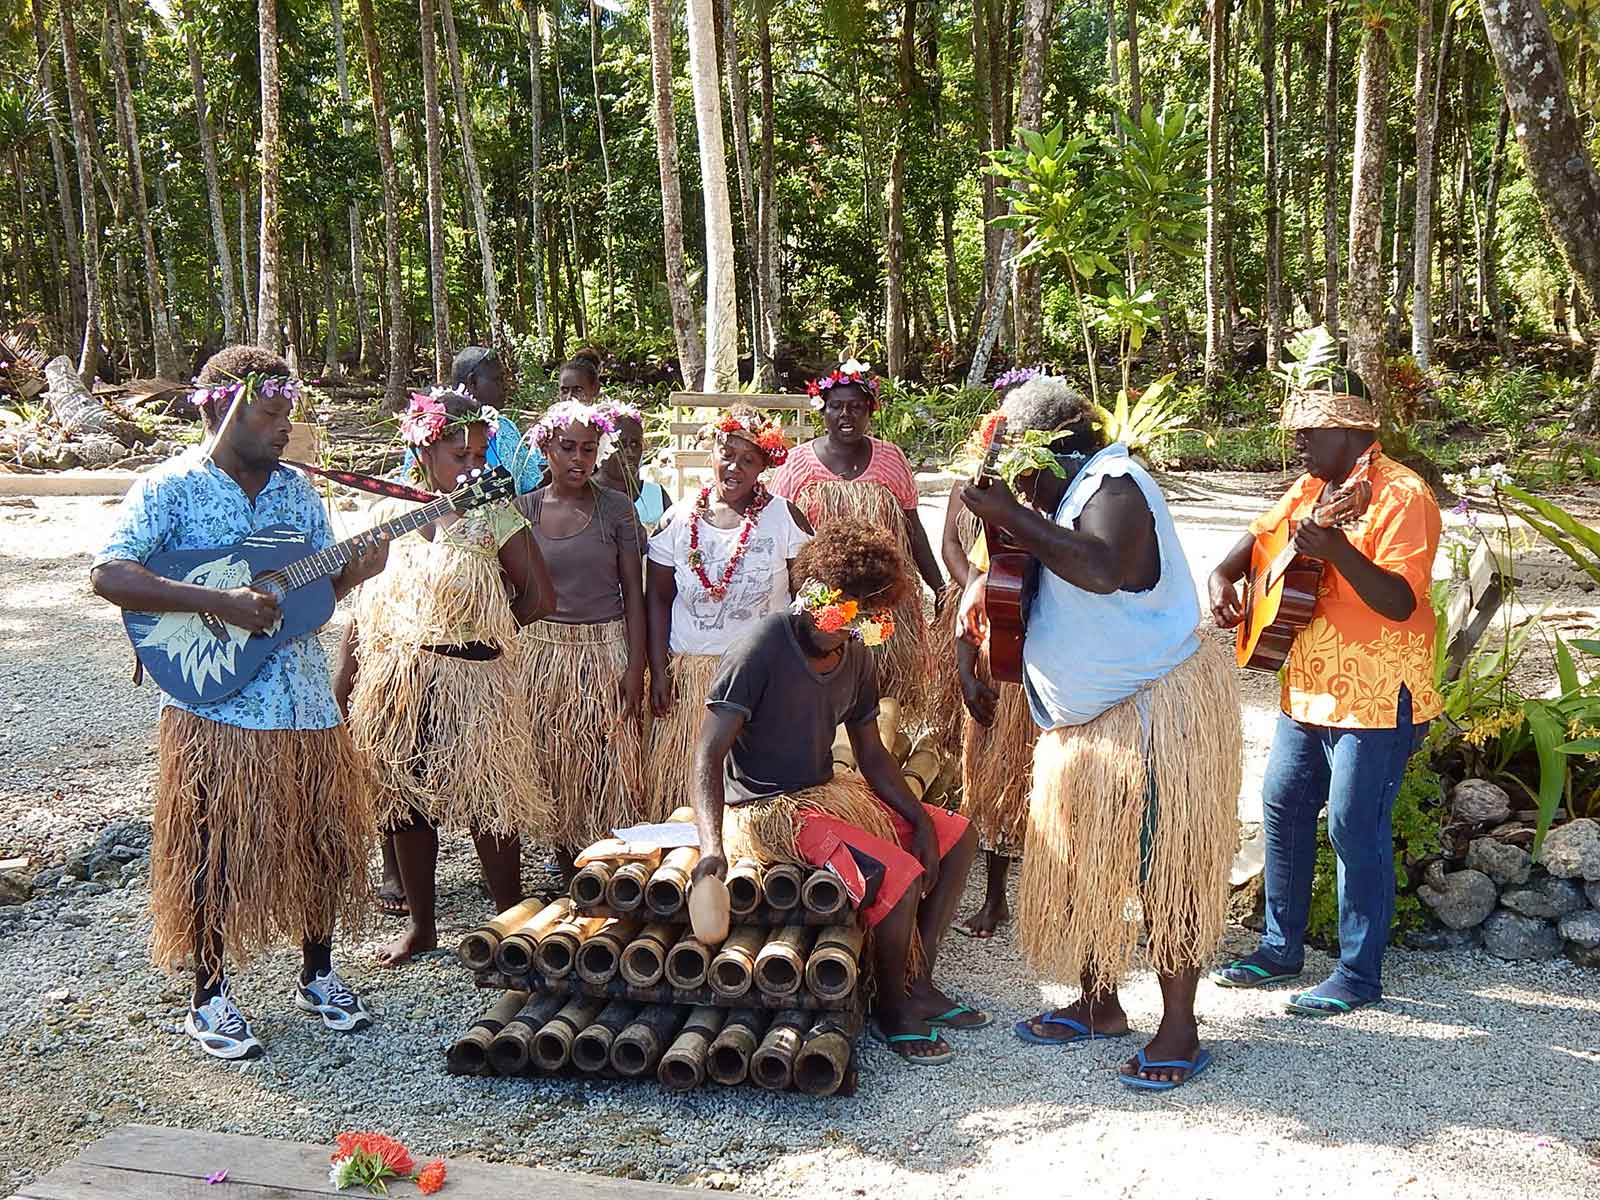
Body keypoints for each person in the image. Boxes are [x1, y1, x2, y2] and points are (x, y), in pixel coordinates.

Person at [89, 344, 390, 1061]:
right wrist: (219, 600)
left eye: (290, 413)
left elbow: (308, 599)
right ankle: (210, 996)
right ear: (224, 407)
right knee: (215, 850)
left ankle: (318, 975)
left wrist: (356, 574)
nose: (286, 427)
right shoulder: (169, 488)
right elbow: (110, 574)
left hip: (305, 704)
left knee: (321, 841)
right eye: (271, 411)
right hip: (217, 711)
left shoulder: (296, 493)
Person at [957, 380, 1242, 1091]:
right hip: (1081, 724)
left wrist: (1014, 515)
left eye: (1027, 463)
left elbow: (1101, 568)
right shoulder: (1063, 492)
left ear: (1058, 448)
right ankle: (1096, 1001)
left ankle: (1180, 1028)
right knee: (1086, 866)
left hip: (1151, 711)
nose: (1021, 479)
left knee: (1161, 866)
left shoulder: (1115, 484)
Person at [690, 520, 980, 1065]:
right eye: (840, 609)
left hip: (825, 792)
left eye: (864, 617)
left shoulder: (856, 652)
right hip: (766, 811)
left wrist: (918, 820)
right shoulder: (762, 646)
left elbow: (871, 755)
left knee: (957, 836)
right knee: (896, 873)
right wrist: (711, 849)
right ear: (813, 586)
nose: (847, 626)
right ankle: (892, 1010)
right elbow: (707, 755)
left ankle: (917, 980)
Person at [1207, 366, 1440, 1015]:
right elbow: (1254, 545)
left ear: (1353, 429)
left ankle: (1358, 975)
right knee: (1281, 806)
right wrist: (1224, 579)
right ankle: (1280, 949)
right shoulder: (1312, 487)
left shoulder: (1403, 496)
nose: (1298, 444)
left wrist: (1337, 551)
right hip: (1306, 688)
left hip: (1377, 692)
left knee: (1352, 825)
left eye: (1310, 432)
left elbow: (1397, 601)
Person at [337, 389, 555, 967]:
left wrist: (481, 631)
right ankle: (422, 924)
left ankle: (511, 921)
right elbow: (362, 610)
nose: (473, 466)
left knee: (491, 801)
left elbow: (539, 594)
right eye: (460, 456)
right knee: (404, 802)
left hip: (474, 679)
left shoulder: (494, 510)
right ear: (424, 451)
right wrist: (345, 684)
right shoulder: (386, 514)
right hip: (398, 679)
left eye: (479, 453)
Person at [645, 406, 812, 809]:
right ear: (712, 452)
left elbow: (808, 593)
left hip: (763, 677)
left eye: (748, 460)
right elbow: (658, 598)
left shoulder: (784, 517)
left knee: (755, 796)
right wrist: (659, 669)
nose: (733, 467)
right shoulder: (679, 518)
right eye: (726, 454)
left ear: (763, 466)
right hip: (695, 674)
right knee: (687, 790)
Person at [514, 399, 650, 865]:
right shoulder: (522, 509)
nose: (578, 459)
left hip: (603, 646)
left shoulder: (617, 509)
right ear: (545, 446)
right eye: (567, 447)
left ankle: (607, 853)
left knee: (607, 756)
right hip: (543, 653)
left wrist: (636, 665)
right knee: (553, 751)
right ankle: (564, 848)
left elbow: (634, 591)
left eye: (588, 450)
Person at [770, 359, 943, 724]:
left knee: (879, 695)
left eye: (856, 407)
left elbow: (913, 529)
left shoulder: (891, 460)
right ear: (823, 409)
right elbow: (776, 533)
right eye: (836, 406)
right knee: (823, 686)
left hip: (883, 598)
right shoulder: (798, 465)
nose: (845, 415)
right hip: (821, 600)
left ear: (870, 412)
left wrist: (939, 587)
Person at [398, 347, 544, 494]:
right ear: (472, 382)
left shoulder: (505, 428)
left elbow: (530, 488)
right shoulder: (428, 432)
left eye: (481, 456)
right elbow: (414, 486)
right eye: (497, 379)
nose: (504, 387)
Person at [600, 400, 672, 534]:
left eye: (634, 444)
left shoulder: (657, 496)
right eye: (619, 445)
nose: (629, 453)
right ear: (600, 447)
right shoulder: (584, 495)